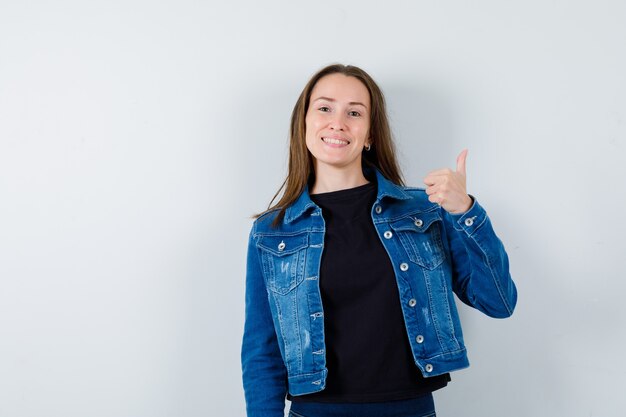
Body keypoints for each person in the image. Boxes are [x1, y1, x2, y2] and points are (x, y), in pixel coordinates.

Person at [241, 64, 517, 417]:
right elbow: (261, 351)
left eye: (354, 112)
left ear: (369, 134)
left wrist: (466, 211)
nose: (337, 122)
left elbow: (499, 302)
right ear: (305, 123)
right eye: (324, 108)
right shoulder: (272, 232)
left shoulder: (425, 212)